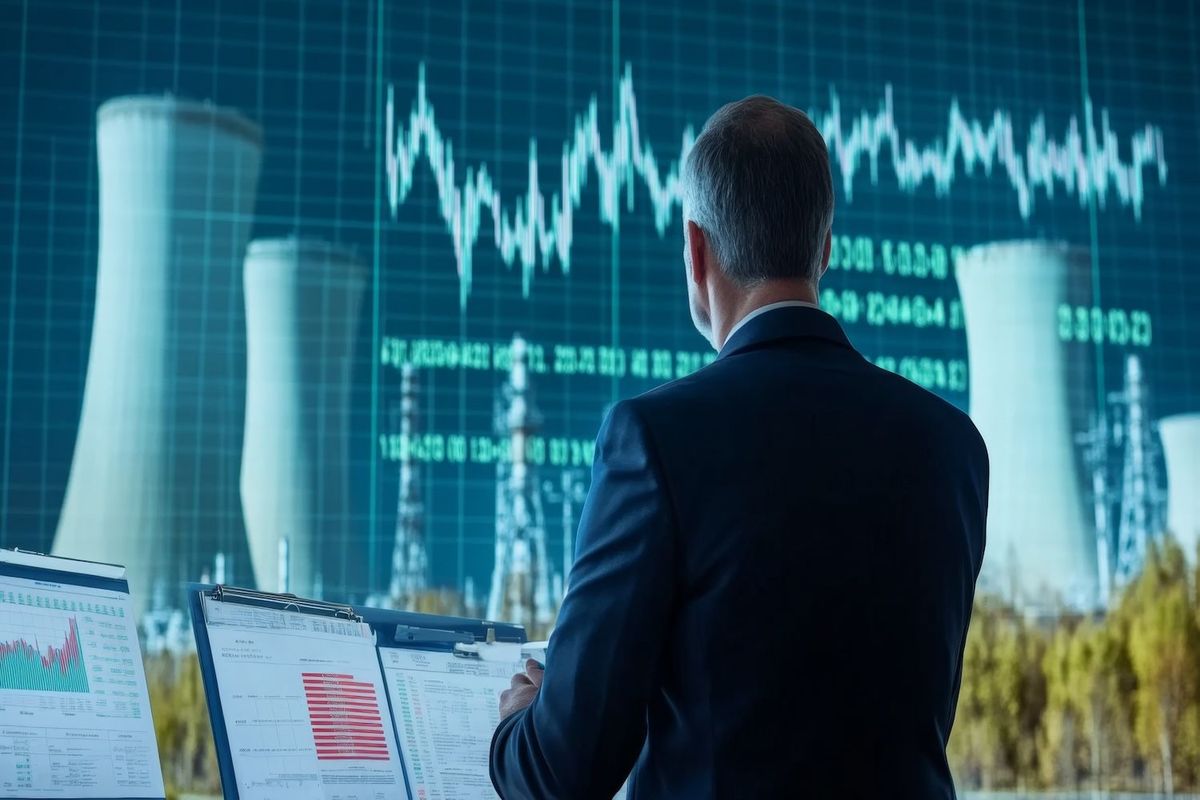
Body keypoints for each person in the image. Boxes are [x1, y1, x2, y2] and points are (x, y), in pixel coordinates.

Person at [489, 94, 988, 799]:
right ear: (825, 248)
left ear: (696, 251)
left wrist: (518, 722)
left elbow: (559, 774)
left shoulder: (653, 439)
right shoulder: (954, 447)